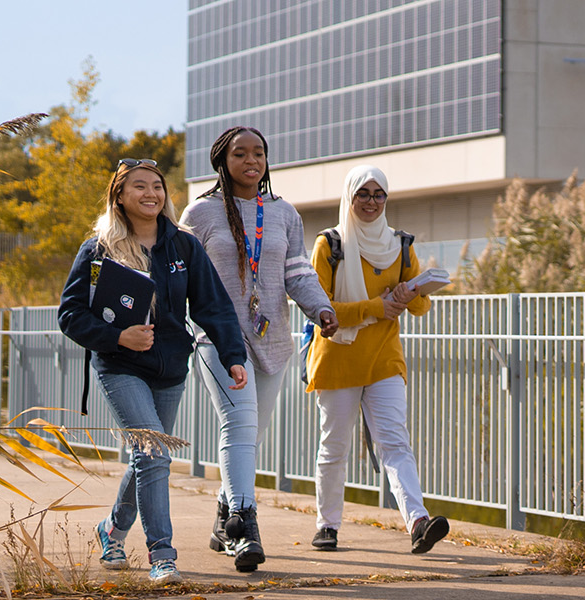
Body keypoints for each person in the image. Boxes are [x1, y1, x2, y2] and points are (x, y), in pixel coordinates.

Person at [58, 159, 251, 583]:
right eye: (139, 187)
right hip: (120, 367)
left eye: (157, 187)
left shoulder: (183, 246)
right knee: (155, 454)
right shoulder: (98, 249)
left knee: (147, 458)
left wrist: (233, 354)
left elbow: (213, 304)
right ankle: (162, 554)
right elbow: (69, 314)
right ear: (120, 196)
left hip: (170, 370)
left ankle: (111, 530)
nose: (151, 194)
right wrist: (119, 338)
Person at [181, 126, 340, 573]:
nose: (251, 161)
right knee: (239, 423)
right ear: (222, 161)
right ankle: (244, 527)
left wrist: (321, 310)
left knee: (251, 435)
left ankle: (220, 517)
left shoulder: (284, 213)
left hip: (272, 336)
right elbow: (181, 276)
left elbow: (298, 274)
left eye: (259, 153)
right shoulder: (201, 214)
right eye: (240, 154)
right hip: (219, 338)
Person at [303, 165, 449, 553]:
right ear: (349, 198)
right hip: (339, 358)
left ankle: (417, 522)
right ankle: (327, 525)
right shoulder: (329, 245)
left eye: (378, 194)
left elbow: (421, 307)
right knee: (334, 446)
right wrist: (375, 307)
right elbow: (318, 307)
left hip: (385, 359)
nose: (371, 202)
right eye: (363, 194)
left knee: (395, 442)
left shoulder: (400, 245)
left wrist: (408, 294)